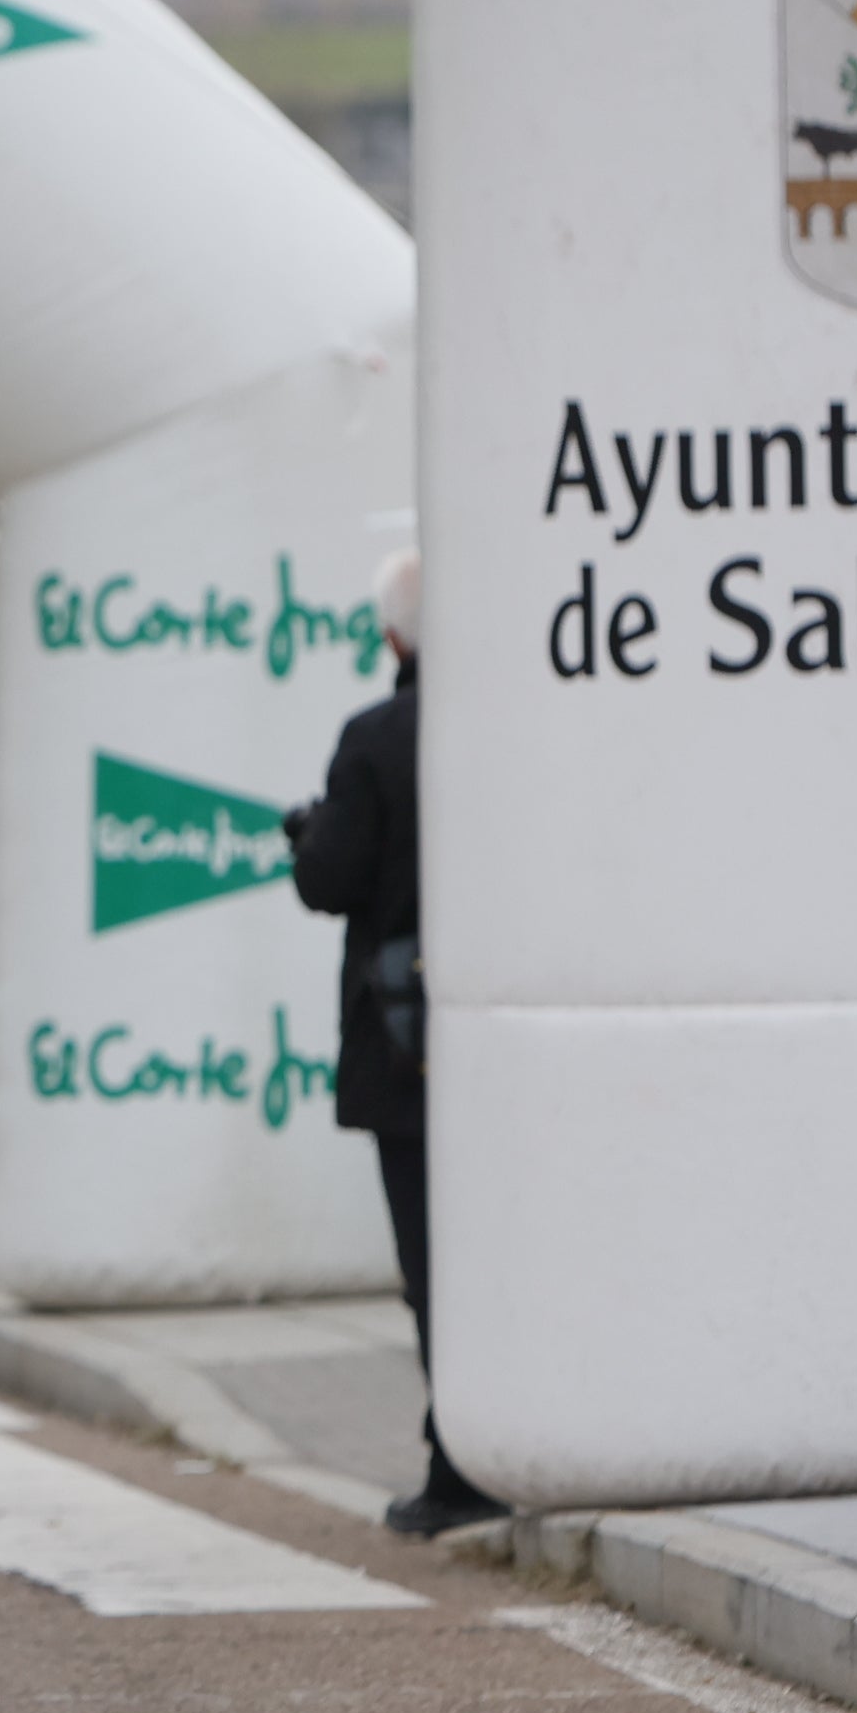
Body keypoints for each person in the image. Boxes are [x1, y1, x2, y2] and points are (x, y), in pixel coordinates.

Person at [289, 551, 508, 1539]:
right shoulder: (511, 720)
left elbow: (331, 879)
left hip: (404, 1035)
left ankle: (460, 1463)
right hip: (507, 1033)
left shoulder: (376, 737)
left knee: (430, 1256)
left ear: (390, 636)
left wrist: (309, 836)